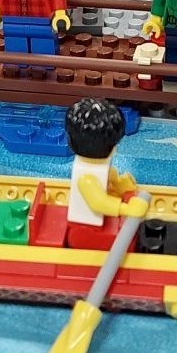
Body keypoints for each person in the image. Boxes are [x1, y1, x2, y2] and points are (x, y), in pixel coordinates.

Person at [63, 98, 147, 250]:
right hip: (86, 230)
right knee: (130, 242)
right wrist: (127, 209)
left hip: (99, 222)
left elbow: (107, 177)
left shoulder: (97, 165)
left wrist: (119, 185)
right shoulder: (86, 178)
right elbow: (99, 203)